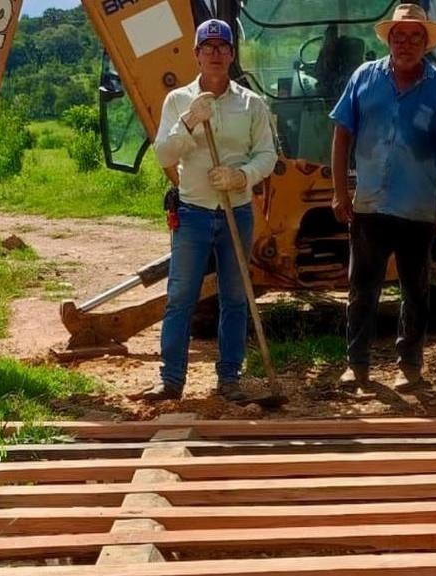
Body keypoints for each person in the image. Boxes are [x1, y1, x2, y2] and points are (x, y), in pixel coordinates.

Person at [329, 4, 436, 390]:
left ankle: (409, 366)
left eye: (415, 37)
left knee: (416, 292)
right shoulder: (364, 77)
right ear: (389, 40)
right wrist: (340, 192)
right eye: (399, 36)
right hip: (370, 205)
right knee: (362, 290)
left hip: (417, 208)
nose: (406, 43)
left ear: (426, 43)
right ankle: (357, 365)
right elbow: (342, 135)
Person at [142, 18, 277, 402]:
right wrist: (189, 121)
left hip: (237, 211)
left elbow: (267, 154)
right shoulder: (178, 101)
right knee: (181, 296)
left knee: (235, 297)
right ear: (197, 55)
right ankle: (171, 380)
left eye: (222, 47)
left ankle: (230, 379)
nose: (216, 54)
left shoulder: (251, 103)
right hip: (193, 213)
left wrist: (241, 175)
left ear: (232, 55)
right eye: (208, 47)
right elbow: (163, 155)